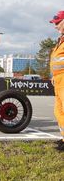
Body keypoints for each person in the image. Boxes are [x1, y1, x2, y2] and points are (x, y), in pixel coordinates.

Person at [49, 10, 64, 151]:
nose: (55, 26)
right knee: (58, 111)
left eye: (57, 22)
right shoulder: (61, 40)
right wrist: (54, 75)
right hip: (59, 80)